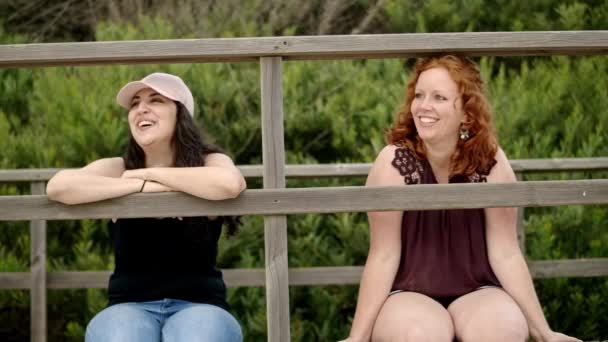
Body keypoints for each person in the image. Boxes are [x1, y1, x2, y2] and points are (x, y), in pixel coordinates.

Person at [340, 55, 581, 342]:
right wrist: (356, 338)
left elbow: (505, 252)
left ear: (466, 114)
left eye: (439, 97)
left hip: (478, 290)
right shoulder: (393, 162)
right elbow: (383, 255)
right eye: (419, 95)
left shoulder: (491, 162)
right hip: (409, 294)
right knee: (421, 334)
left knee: (500, 330)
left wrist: (545, 333)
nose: (423, 106)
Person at [46, 72, 246, 342]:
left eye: (156, 100)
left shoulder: (208, 163)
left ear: (181, 113)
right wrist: (139, 185)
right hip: (127, 307)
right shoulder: (118, 168)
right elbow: (58, 187)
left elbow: (230, 184)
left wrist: (151, 175)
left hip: (200, 306)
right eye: (135, 103)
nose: (141, 108)